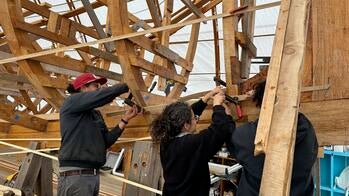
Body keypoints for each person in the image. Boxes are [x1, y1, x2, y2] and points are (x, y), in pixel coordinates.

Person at [226, 80, 318, 196]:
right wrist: (262, 94)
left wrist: (226, 117)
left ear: (261, 104)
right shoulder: (307, 130)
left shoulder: (246, 136)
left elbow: (233, 144)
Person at [58, 73, 138, 196]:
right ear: (83, 88)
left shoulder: (95, 115)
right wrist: (127, 86)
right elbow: (100, 97)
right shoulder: (71, 102)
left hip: (92, 175)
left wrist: (124, 120)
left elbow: (106, 141)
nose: (99, 89)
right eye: (96, 86)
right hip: (76, 174)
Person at [150, 87, 235, 196]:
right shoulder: (190, 144)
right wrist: (218, 107)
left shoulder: (166, 139)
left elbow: (188, 112)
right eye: (194, 118)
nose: (196, 119)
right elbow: (219, 130)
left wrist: (207, 97)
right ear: (185, 125)